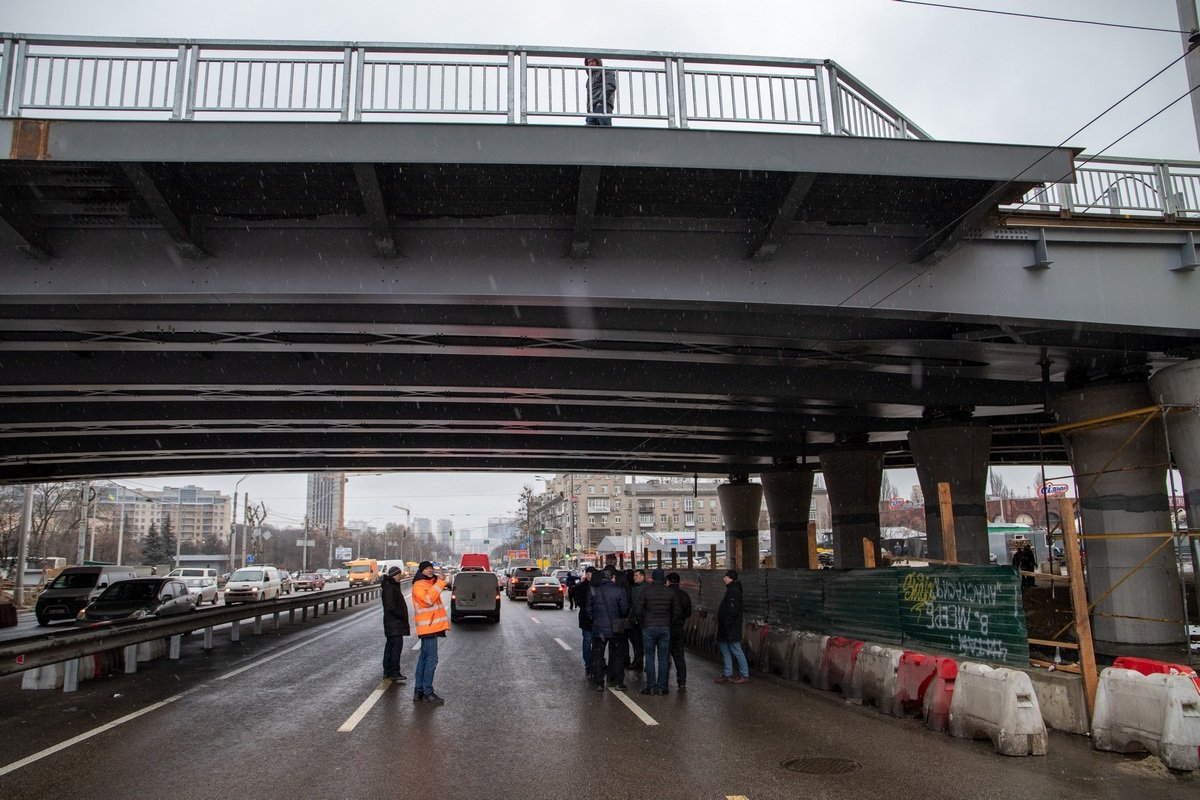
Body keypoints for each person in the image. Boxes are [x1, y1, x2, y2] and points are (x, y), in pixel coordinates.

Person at [633, 568, 680, 696]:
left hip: (649, 627)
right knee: (663, 658)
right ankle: (662, 687)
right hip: (665, 627)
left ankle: (651, 687)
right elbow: (677, 611)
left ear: (652, 578)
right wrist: (669, 622)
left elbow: (637, 609)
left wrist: (643, 622)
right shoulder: (670, 592)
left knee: (649, 657)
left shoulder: (646, 591)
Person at [586, 566, 630, 691]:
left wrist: (594, 619)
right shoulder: (619, 590)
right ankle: (617, 681)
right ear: (613, 577)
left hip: (599, 628)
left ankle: (599, 683)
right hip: (615, 628)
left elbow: (588, 609)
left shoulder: (593, 590)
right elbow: (624, 609)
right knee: (617, 655)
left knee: (598, 656)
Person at [411, 560, 449, 704]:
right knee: (432, 660)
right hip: (428, 627)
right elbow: (428, 600)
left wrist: (439, 581)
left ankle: (419, 690)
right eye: (426, 569)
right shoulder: (419, 585)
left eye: (431, 568)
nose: (429, 571)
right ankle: (428, 692)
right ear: (421, 571)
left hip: (431, 626)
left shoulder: (429, 583)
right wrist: (439, 583)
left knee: (424, 659)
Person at [715, 569, 749, 684]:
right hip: (727, 627)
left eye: (726, 577)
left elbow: (732, 611)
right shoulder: (732, 590)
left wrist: (726, 624)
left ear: (730, 578)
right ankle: (727, 673)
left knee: (736, 650)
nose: (724, 579)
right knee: (726, 650)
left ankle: (744, 674)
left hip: (730, 628)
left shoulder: (733, 592)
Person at [381, 565, 410, 682]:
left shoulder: (390, 586)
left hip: (392, 624)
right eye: (399, 575)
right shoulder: (390, 588)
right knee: (395, 649)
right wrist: (402, 615)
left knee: (390, 647)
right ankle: (394, 671)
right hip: (394, 624)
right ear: (395, 575)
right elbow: (391, 607)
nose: (400, 577)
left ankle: (388, 671)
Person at [665, 572, 692, 691]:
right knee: (679, 656)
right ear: (679, 582)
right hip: (679, 628)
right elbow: (688, 612)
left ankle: (663, 682)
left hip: (666, 627)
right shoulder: (684, 595)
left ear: (668, 581)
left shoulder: (665, 593)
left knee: (664, 656)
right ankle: (682, 682)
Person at [570, 566, 597, 679]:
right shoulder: (581, 586)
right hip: (586, 619)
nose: (591, 576)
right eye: (589, 574)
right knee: (587, 641)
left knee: (597, 643)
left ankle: (597, 664)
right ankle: (588, 664)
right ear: (586, 574)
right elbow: (579, 601)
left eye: (593, 574)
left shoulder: (599, 586)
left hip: (598, 619)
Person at [584, 57, 617, 126]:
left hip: (603, 105)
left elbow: (610, 86)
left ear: (598, 62)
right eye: (589, 62)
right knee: (588, 132)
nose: (591, 64)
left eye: (593, 61)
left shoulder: (605, 70)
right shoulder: (589, 79)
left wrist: (601, 102)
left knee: (605, 131)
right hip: (591, 109)